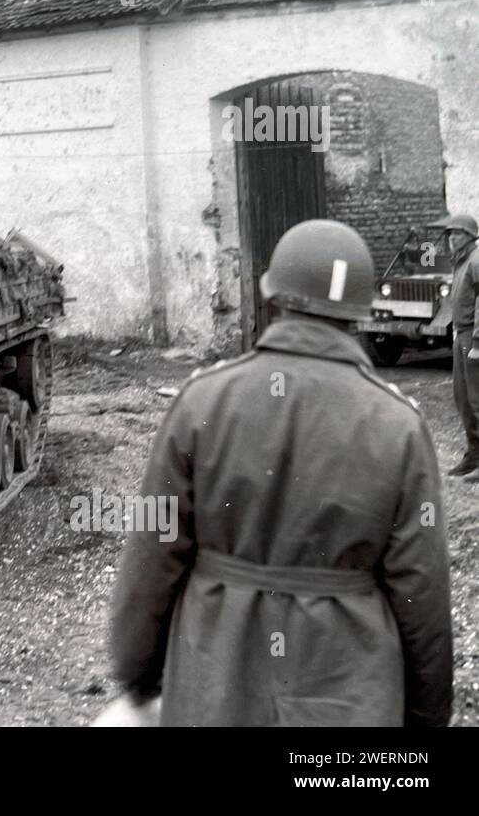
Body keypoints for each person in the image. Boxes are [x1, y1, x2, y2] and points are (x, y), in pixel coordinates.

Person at [110, 219, 453, 727]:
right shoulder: (398, 425)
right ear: (359, 315)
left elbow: (153, 555)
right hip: (349, 691)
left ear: (275, 297)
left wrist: (137, 669)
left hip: (217, 682)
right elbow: (422, 589)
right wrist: (428, 711)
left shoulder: (204, 400)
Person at [440, 214, 479, 478]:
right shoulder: (461, 261)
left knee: (476, 399)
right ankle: (474, 456)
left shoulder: (476, 260)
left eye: (457, 234)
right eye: (450, 234)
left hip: (472, 337)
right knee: (462, 397)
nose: (452, 238)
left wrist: (477, 341)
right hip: (461, 334)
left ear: (469, 236)